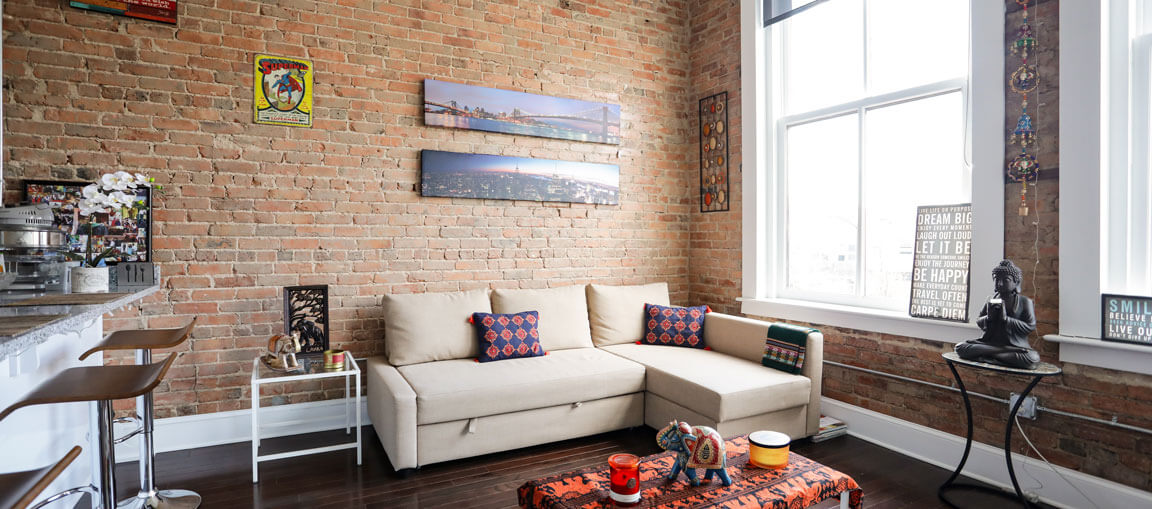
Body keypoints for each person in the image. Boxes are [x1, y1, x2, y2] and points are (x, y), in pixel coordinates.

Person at [954, 260, 1041, 369]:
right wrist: (988, 318)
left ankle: (989, 355)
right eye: (996, 279)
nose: (999, 283)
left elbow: (1030, 326)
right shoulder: (991, 299)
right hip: (991, 343)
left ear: (1016, 282)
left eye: (1005, 280)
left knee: (1032, 358)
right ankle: (998, 353)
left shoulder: (1024, 302)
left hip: (1015, 345)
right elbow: (979, 320)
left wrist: (1006, 319)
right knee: (960, 347)